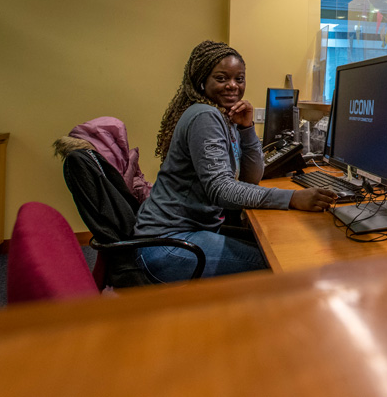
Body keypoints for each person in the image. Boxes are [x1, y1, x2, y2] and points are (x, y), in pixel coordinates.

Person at [134, 40, 335, 283]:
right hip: (169, 245)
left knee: (274, 246)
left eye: (239, 79)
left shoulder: (220, 115)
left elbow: (252, 178)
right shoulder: (204, 116)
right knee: (282, 265)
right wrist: (292, 198)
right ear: (202, 81)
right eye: (221, 78)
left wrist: (247, 128)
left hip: (184, 236)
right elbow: (221, 190)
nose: (232, 86)